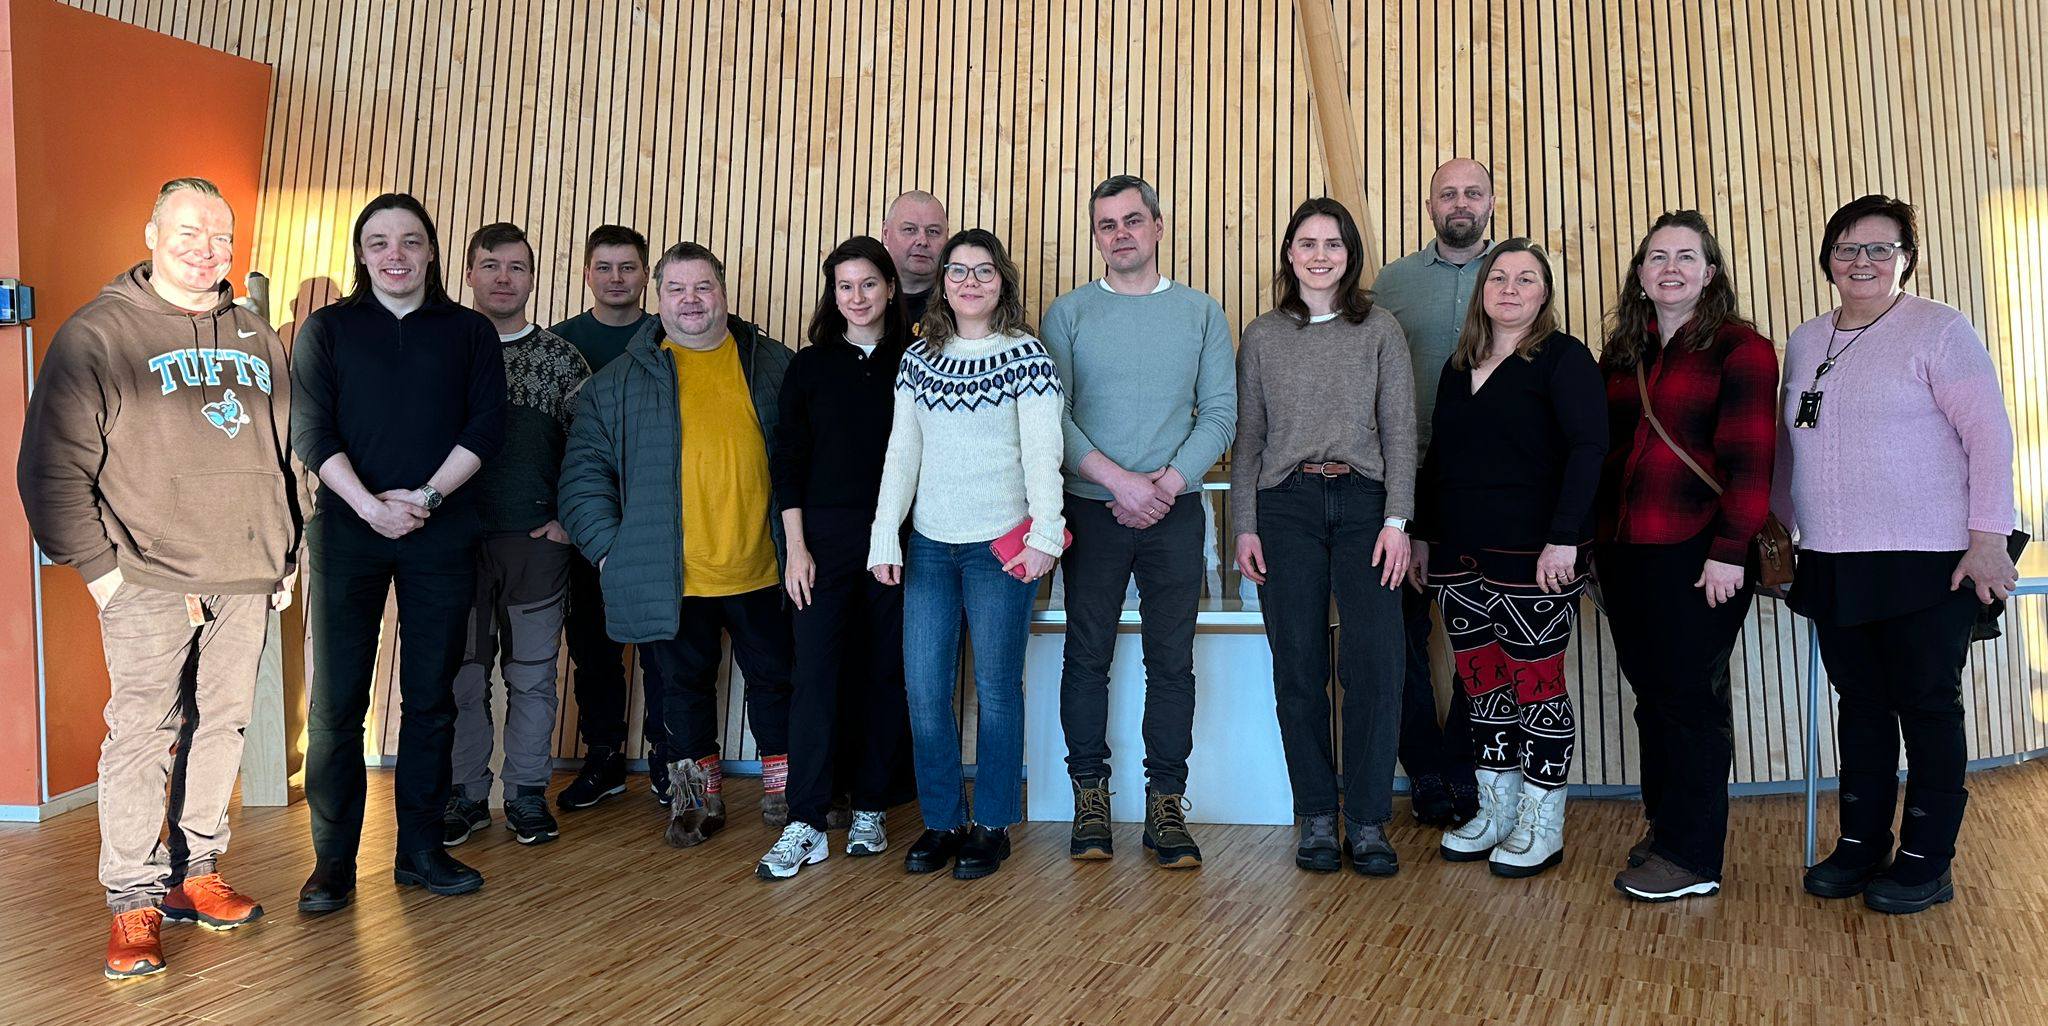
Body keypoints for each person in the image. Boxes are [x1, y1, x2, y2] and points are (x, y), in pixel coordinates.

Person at [18, 178, 299, 979]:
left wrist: (283, 552)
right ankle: (133, 900)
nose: (206, 249)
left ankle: (195, 876)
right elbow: (50, 470)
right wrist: (106, 576)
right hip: (145, 574)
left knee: (224, 728)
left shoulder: (254, 334)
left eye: (220, 237)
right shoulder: (98, 335)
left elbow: (286, 454)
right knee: (143, 736)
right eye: (188, 232)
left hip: (245, 574)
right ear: (150, 232)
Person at [1776, 195, 2018, 915]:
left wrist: (1988, 539)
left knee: (1927, 707)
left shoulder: (1939, 329)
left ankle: (1924, 858)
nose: (1863, 262)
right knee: (1862, 708)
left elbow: (1991, 436)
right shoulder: (1805, 339)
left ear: (1906, 258)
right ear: (1828, 260)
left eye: (1881, 249)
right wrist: (1778, 536)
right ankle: (1860, 843)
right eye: (1848, 249)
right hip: (1833, 558)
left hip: (1929, 558)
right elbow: (1793, 448)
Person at [291, 193, 505, 912]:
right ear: (360, 254)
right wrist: (369, 506)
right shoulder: (328, 329)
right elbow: (313, 434)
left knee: (431, 699)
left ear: (432, 252)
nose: (395, 255)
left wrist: (424, 501)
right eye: (379, 242)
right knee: (336, 704)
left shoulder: (469, 331)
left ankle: (419, 849)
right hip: (349, 532)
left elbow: (484, 428)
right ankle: (333, 863)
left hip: (440, 532)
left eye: (410, 241)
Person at [558, 241, 796, 849]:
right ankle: (696, 799)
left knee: (778, 683)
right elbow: (583, 477)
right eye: (678, 289)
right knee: (681, 693)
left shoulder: (773, 364)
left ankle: (786, 789)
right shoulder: (615, 384)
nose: (692, 300)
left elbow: (810, 460)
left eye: (704, 287)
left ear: (723, 292)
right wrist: (613, 553)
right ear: (657, 298)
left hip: (766, 566)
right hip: (671, 574)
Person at [1042, 174, 1237, 869]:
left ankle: (1165, 806)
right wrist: (1119, 481)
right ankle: (1090, 798)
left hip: (1174, 514)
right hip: (1093, 513)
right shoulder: (1067, 315)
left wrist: (1168, 483)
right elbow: (1051, 417)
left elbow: (1220, 412)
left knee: (1171, 663)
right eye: (1106, 224)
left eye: (1132, 220)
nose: (1120, 233)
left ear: (1158, 226)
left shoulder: (1201, 313)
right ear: (1096, 236)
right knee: (1086, 658)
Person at [868, 228, 1066, 881]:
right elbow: (901, 454)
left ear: (1002, 281)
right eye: (959, 271)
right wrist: (883, 534)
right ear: (943, 283)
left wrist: (1045, 535)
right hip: (928, 545)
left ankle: (993, 824)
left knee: (997, 691)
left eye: (984, 271)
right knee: (925, 690)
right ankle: (943, 820)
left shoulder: (1027, 356)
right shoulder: (919, 359)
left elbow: (1044, 453)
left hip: (999, 549)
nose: (971, 281)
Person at [1593, 211, 1779, 902]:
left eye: (1686, 257)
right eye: (1656, 257)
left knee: (1690, 700)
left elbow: (1751, 462)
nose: (1670, 268)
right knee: (1653, 699)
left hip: (1701, 552)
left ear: (1710, 272)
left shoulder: (1742, 349)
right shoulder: (1622, 352)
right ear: (1640, 274)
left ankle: (1692, 855)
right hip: (1623, 548)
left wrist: (1731, 552)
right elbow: (1602, 455)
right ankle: (1665, 826)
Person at [1231, 197, 1416, 875]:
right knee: (1299, 665)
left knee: (1374, 662)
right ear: (1289, 254)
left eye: (1332, 244)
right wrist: (1244, 525)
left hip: (1366, 503)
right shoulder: (1262, 335)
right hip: (1287, 505)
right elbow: (1249, 438)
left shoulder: (1381, 330)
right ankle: (1314, 815)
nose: (1319, 255)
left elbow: (1399, 431)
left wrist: (1398, 522)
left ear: (1349, 255)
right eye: (1306, 243)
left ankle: (1366, 821)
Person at [1412, 238, 1606, 878]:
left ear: (1544, 294)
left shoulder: (1561, 359)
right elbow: (1438, 459)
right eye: (1499, 277)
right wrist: (1421, 534)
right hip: (1458, 559)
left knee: (1537, 692)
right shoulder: (1457, 364)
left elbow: (1589, 450)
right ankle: (1496, 810)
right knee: (1483, 688)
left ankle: (1541, 823)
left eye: (1526, 279)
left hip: (1534, 558)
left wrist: (1566, 538)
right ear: (1482, 290)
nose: (1510, 288)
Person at [755, 237, 913, 879]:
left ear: (890, 289)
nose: (858, 296)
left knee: (882, 673)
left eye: (869, 284)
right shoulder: (810, 366)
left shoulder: (919, 361)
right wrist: (795, 548)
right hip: (821, 540)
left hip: (899, 538)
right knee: (814, 677)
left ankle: (872, 805)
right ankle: (807, 820)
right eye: (845, 286)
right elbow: (788, 461)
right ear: (834, 295)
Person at [442, 223, 589, 848]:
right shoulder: (438, 349)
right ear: (469, 274)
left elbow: (592, 450)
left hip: (534, 543)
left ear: (533, 278)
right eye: (491, 266)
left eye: (518, 267)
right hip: (452, 545)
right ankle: (466, 795)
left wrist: (569, 520)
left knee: (531, 675)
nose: (504, 278)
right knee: (463, 677)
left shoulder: (561, 359)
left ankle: (527, 794)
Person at [1370, 157, 1496, 827]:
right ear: (1429, 205)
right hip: (1403, 478)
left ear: (1491, 201)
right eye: (1447, 192)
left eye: (1472, 192)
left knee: (1482, 633)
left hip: (1487, 486)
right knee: (1400, 637)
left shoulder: (1514, 275)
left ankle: (1465, 765)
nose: (1460, 202)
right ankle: (1421, 769)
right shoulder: (1393, 283)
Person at [549, 225, 673, 810]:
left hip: (658, 523)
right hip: (585, 526)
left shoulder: (672, 335)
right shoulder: (561, 344)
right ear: (587, 273)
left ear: (646, 274)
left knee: (664, 648)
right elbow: (546, 445)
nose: (617, 278)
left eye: (629, 267)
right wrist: (563, 516)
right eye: (606, 267)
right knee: (593, 648)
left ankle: (669, 759)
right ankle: (604, 758)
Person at [880, 191, 948, 324]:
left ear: (947, 238)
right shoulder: (859, 300)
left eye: (933, 231)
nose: (922, 241)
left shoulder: (963, 303)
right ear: (886, 234)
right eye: (910, 229)